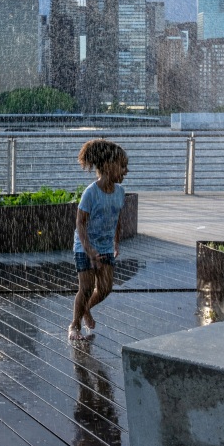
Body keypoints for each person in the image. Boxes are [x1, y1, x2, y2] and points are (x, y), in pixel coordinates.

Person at [70, 139, 129, 340]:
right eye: (122, 166)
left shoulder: (120, 193)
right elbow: (80, 223)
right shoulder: (91, 193)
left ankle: (86, 308)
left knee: (105, 289)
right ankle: (74, 325)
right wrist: (89, 250)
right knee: (86, 287)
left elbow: (117, 219)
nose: (126, 171)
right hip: (85, 246)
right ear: (107, 166)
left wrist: (115, 242)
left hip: (105, 247)